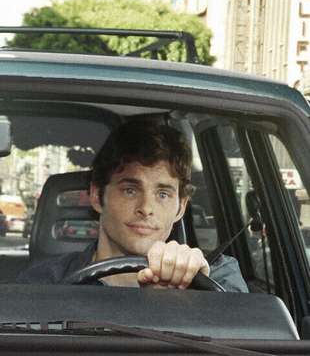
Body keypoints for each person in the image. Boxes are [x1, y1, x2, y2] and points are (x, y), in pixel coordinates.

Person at [17, 121, 248, 292]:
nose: (146, 208)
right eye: (130, 190)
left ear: (180, 208)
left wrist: (193, 296)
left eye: (163, 194)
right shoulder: (45, 283)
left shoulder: (216, 275)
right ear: (97, 196)